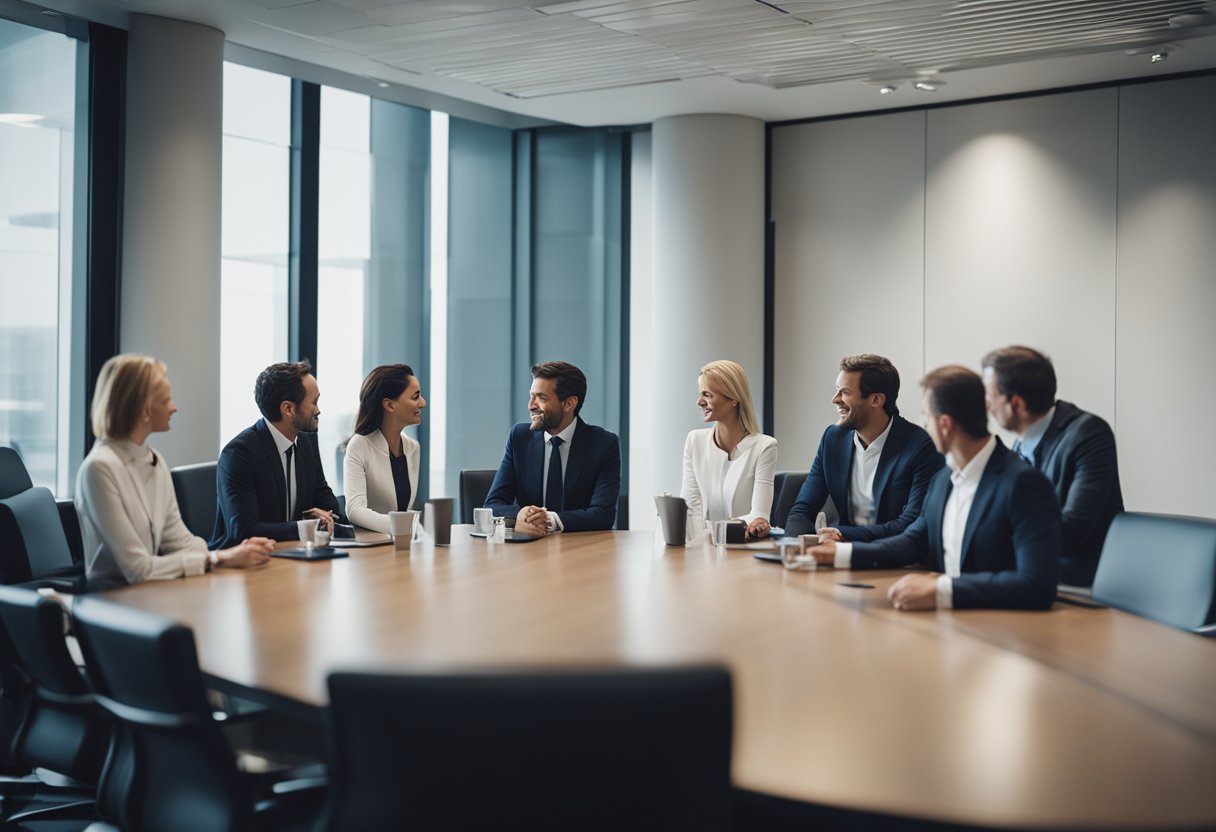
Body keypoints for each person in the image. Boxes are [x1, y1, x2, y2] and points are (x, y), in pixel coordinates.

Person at [806, 366, 1061, 611]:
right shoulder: (942, 480)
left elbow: (1036, 585)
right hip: (941, 620)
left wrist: (942, 590)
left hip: (997, 627)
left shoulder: (1024, 484)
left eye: (926, 416)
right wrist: (841, 554)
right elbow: (912, 541)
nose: (923, 425)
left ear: (944, 424)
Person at [75, 354, 272, 591]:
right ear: (144, 410)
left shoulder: (154, 460)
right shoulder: (99, 468)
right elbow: (137, 569)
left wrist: (232, 552)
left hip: (150, 592)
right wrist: (218, 558)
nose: (174, 407)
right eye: (166, 400)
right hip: (112, 600)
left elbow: (180, 541)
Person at [981, 346, 1124, 587]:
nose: (987, 405)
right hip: (1028, 574)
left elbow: (1074, 532)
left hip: (1077, 583)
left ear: (1016, 404)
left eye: (990, 396)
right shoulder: (1018, 445)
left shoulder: (1089, 434)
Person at [785, 354, 943, 542]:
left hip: (891, 553)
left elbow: (910, 523)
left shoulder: (920, 445)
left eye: (845, 392)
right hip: (836, 551)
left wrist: (842, 534)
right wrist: (797, 547)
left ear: (876, 400)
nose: (835, 399)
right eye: (837, 390)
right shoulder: (832, 439)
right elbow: (802, 510)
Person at [211, 359, 341, 549]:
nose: (318, 410)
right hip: (245, 560)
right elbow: (244, 530)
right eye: (314, 402)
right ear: (288, 409)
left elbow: (322, 495)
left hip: (294, 552)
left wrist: (329, 516)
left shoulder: (306, 441)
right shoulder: (239, 454)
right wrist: (305, 527)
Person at [485, 361, 621, 536]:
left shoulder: (603, 444)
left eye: (541, 398)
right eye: (531, 396)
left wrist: (549, 519)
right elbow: (492, 505)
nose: (531, 405)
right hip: (528, 547)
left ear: (569, 404)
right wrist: (519, 515)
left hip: (579, 548)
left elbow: (603, 514)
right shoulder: (519, 437)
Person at [681, 360, 777, 540]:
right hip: (703, 546)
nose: (699, 402)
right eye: (700, 394)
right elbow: (690, 511)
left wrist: (710, 527)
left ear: (733, 399)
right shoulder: (695, 441)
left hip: (743, 548)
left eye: (707, 395)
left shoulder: (765, 447)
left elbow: (759, 517)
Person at [343, 364, 425, 533]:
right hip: (371, 545)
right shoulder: (359, 445)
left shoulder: (413, 448)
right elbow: (355, 510)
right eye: (415, 397)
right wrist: (405, 526)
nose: (423, 403)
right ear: (389, 405)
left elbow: (403, 509)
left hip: (400, 542)